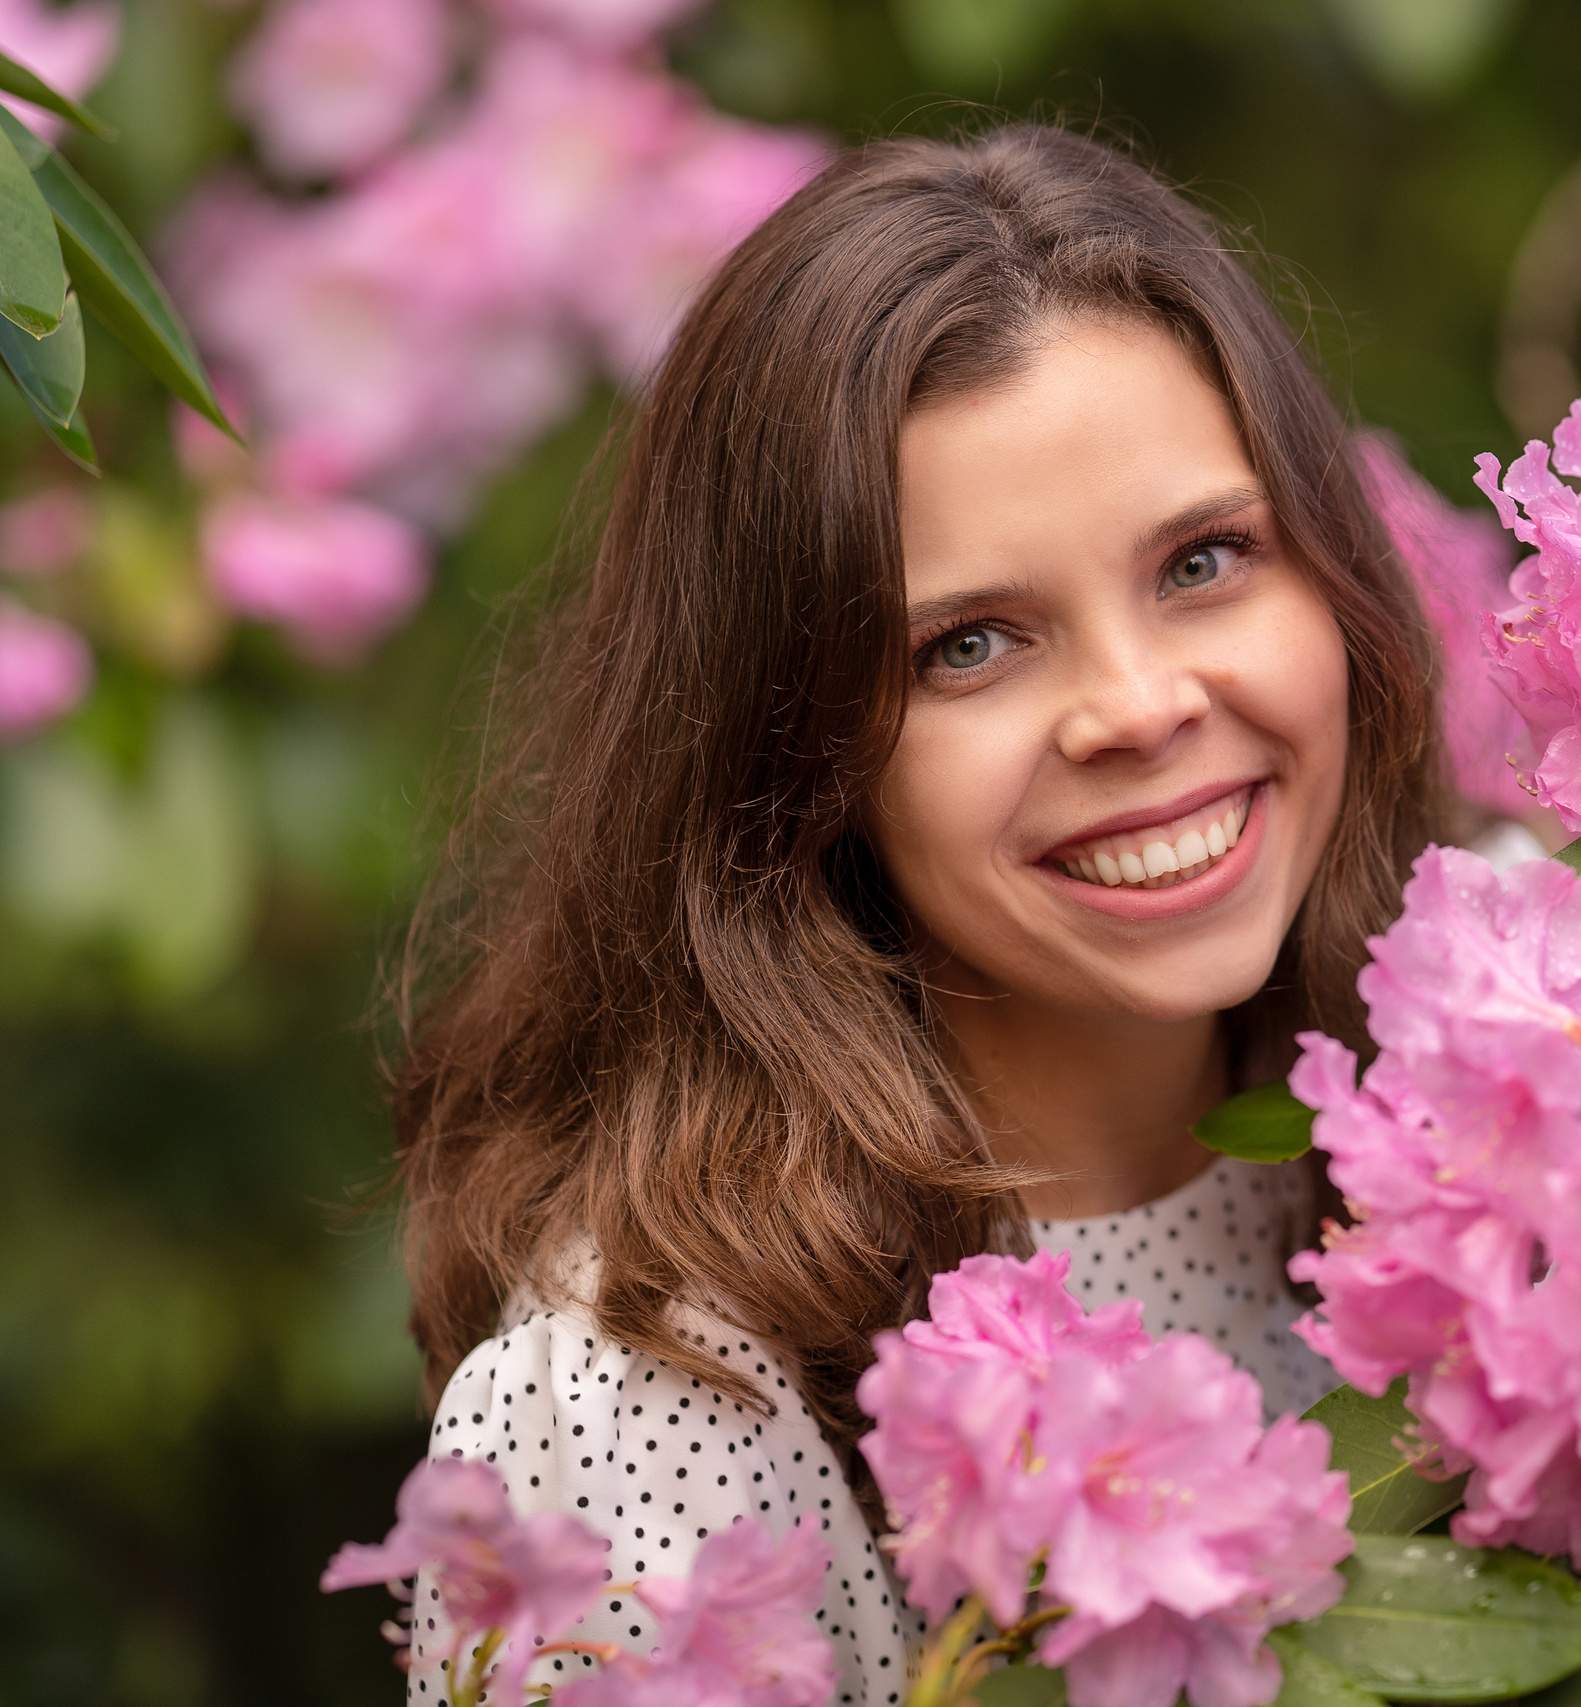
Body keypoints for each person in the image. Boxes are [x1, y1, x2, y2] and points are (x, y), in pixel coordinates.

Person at [390, 123, 1451, 1705]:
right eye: (970, 646)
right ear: (786, 753)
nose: (1140, 706)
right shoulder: (656, 1413)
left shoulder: (1509, 1110)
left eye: (1205, 560)